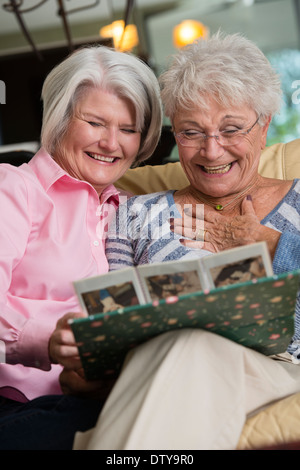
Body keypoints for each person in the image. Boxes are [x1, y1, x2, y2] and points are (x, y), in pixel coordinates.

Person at [72, 32, 300, 450]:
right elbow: (114, 316)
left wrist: (270, 244)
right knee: (181, 344)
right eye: (192, 132)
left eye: (231, 129)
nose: (212, 152)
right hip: (156, 366)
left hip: (277, 369)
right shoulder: (135, 213)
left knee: (189, 344)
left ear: (264, 126)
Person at [0, 44, 162, 449]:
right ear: (59, 118)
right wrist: (44, 339)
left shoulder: (128, 211)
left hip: (98, 396)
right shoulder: (15, 189)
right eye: (95, 122)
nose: (111, 143)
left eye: (128, 129)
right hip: (16, 402)